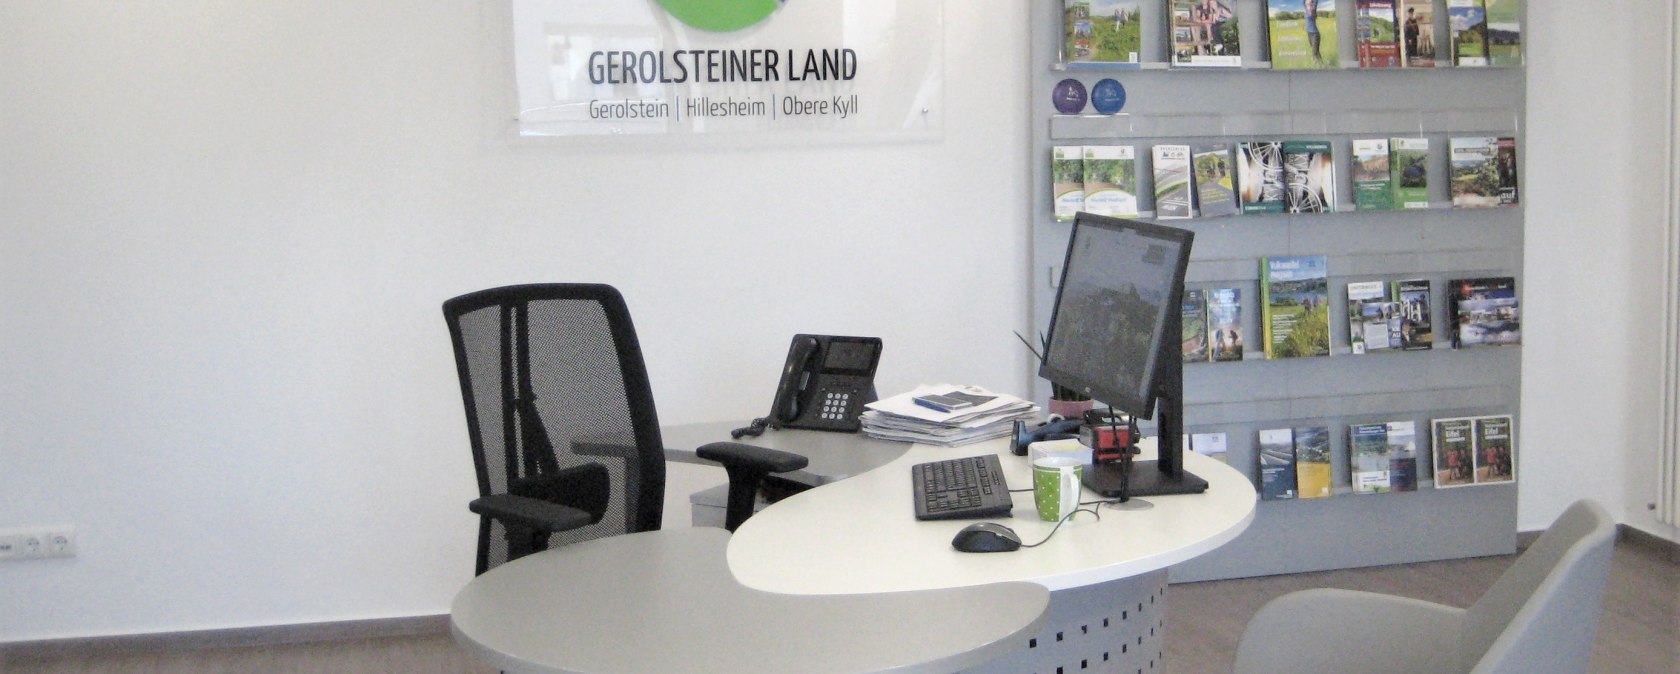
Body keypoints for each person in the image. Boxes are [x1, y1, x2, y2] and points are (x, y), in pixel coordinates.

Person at [1304, 0, 1323, 66]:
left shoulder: (1313, 10)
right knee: (1316, 51)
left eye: (1309, 3)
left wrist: (1314, 2)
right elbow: (1303, 2)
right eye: (1307, 3)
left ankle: (1315, 65)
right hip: (1309, 34)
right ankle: (1322, 65)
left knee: (1314, 52)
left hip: (1315, 34)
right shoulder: (1306, 10)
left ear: (1312, 3)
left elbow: (1316, 2)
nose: (1308, 4)